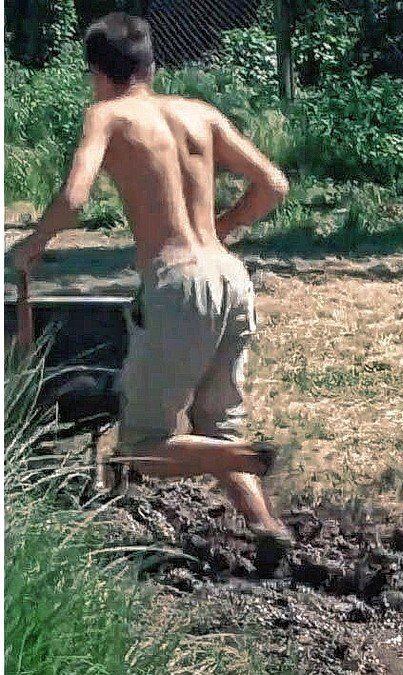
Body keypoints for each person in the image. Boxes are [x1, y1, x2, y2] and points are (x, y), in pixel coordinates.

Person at [11, 12, 294, 545]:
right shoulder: (200, 114)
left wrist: (33, 245)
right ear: (151, 65)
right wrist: (223, 227)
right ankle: (267, 526)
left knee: (140, 447)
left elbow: (74, 199)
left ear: (97, 71)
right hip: (231, 277)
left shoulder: (108, 115)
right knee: (216, 429)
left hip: (176, 283)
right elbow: (273, 185)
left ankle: (251, 457)